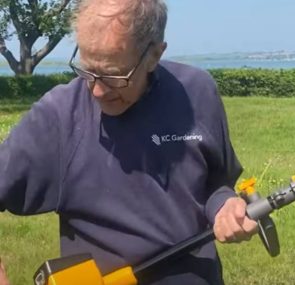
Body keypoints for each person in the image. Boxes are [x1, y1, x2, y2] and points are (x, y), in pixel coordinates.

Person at [0, 0, 257, 284]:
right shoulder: (59, 117)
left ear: (155, 55)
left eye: (113, 75)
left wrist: (224, 205)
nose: (96, 90)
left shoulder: (197, 93)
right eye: (87, 70)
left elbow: (215, 183)